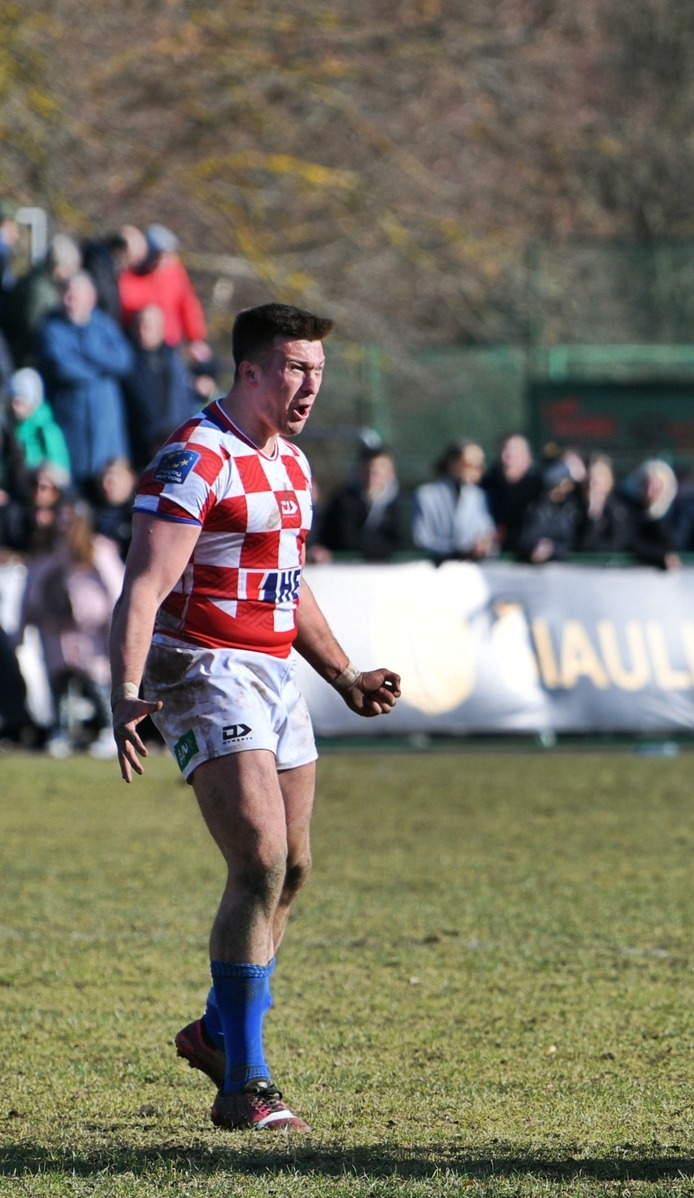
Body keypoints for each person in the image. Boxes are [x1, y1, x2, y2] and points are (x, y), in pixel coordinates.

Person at [107, 302, 402, 1134]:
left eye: (319, 370)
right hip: (202, 670)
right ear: (251, 370)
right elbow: (142, 587)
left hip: (272, 672)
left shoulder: (295, 466)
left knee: (297, 867)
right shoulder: (195, 458)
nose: (311, 385)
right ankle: (247, 1082)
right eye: (296, 368)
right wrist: (125, 689)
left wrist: (342, 674)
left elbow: (289, 581)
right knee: (260, 859)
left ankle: (215, 1028)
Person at [22, 507, 123, 757]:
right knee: (59, 684)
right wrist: (27, 621)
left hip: (92, 633)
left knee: (96, 683)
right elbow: (32, 588)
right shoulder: (49, 553)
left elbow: (116, 588)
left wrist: (119, 625)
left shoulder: (97, 550)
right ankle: (61, 732)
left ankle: (110, 730)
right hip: (57, 631)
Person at [38, 272, 133, 484]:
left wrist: (87, 352)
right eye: (66, 294)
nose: (68, 301)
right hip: (71, 424)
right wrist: (102, 371)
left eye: (75, 296)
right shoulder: (51, 327)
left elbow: (123, 360)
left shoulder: (104, 324)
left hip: (107, 429)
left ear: (91, 298)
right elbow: (63, 367)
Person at [115, 225, 211, 362]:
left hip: (170, 344)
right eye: (157, 255)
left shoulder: (174, 272)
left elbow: (188, 304)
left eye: (167, 255)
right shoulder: (128, 276)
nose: (162, 260)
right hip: (135, 344)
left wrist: (195, 338)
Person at [121, 304, 194, 463]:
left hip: (177, 441)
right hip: (141, 448)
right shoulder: (125, 360)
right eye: (139, 324)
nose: (143, 330)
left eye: (149, 326)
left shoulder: (175, 359)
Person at [315, 436, 408, 561]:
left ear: (390, 474)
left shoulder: (399, 503)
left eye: (377, 472)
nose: (371, 477)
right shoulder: (343, 500)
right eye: (367, 470)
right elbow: (345, 540)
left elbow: (398, 543)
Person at [412, 439, 496, 562]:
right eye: (469, 464)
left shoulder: (478, 496)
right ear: (453, 463)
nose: (477, 470)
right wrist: (458, 550)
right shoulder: (426, 495)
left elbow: (486, 532)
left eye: (479, 465)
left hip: (471, 571)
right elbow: (421, 538)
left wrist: (484, 545)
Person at [5, 367, 69, 491]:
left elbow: (61, 472)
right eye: (12, 400)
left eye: (20, 401)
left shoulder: (46, 430)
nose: (15, 407)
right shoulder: (11, 430)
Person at [517, 456, 584, 563]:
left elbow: (572, 541)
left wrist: (553, 549)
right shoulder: (536, 508)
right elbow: (525, 539)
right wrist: (536, 547)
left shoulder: (571, 507)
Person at [482, 434, 541, 552]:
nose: (507, 458)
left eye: (514, 454)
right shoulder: (486, 487)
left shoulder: (540, 489)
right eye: (505, 452)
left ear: (528, 459)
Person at [628, 459, 683, 569]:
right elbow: (630, 542)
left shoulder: (679, 514)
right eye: (645, 486)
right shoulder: (630, 512)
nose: (649, 493)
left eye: (656, 488)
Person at [575, 453, 630, 554]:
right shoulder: (573, 507)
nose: (592, 484)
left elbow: (619, 543)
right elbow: (578, 544)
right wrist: (592, 517)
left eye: (599, 477)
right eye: (590, 477)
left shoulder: (620, 508)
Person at [95, 458, 137, 558]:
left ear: (131, 479)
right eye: (104, 477)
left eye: (115, 477)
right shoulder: (92, 512)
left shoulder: (141, 515)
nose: (106, 484)